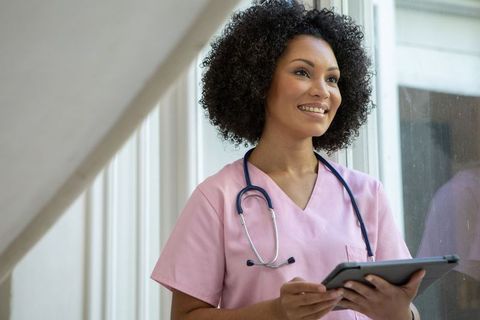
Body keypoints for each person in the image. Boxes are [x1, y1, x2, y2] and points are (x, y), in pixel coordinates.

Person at [151, 1, 424, 319]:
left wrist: (401, 313)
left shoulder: (367, 194)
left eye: (332, 79)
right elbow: (185, 316)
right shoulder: (217, 198)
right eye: (302, 72)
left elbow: (404, 308)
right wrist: (275, 312)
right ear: (259, 81)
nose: (323, 91)